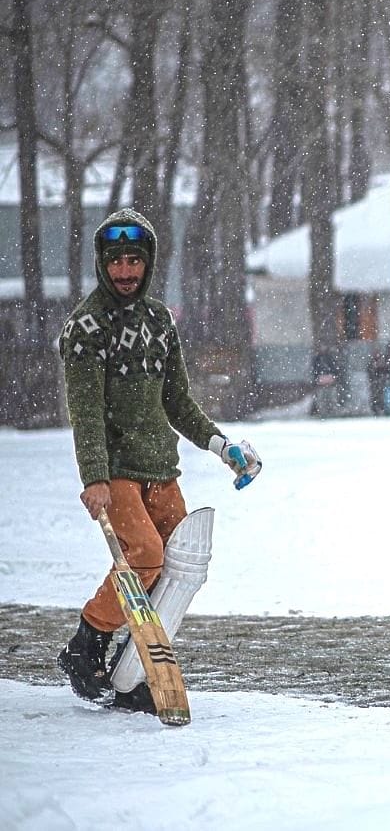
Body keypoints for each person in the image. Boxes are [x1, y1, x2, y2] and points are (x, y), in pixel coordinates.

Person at [56, 208, 262, 711]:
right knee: (144, 556)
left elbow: (178, 402)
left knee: (180, 568)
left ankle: (136, 663)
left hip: (161, 469)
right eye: (117, 262)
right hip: (117, 471)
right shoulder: (87, 326)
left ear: (148, 263)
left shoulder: (160, 322)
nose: (126, 272)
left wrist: (221, 445)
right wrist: (95, 478)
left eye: (134, 261)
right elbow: (84, 412)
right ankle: (86, 644)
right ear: (103, 265)